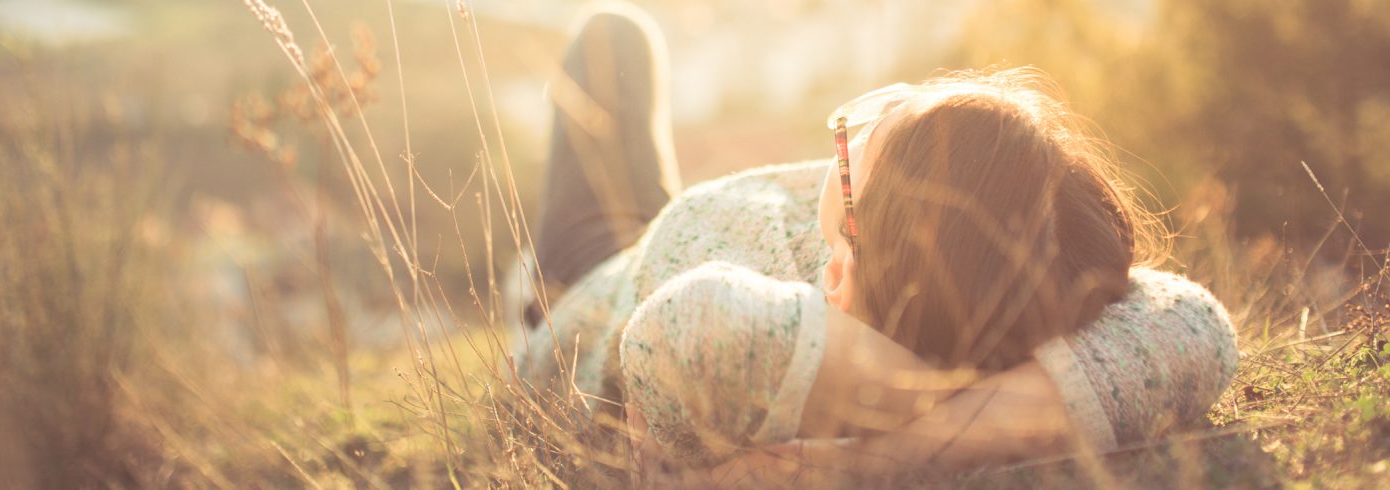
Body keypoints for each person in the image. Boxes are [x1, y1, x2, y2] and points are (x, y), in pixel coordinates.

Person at [512, 5, 1238, 484]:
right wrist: (933, 416)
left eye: (858, 148)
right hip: (651, 250)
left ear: (839, 275)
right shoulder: (988, 284)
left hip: (589, 281)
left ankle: (528, 300)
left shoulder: (737, 321)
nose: (846, 138)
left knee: (609, 35)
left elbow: (691, 322)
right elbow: (1193, 327)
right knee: (616, 37)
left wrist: (860, 462)